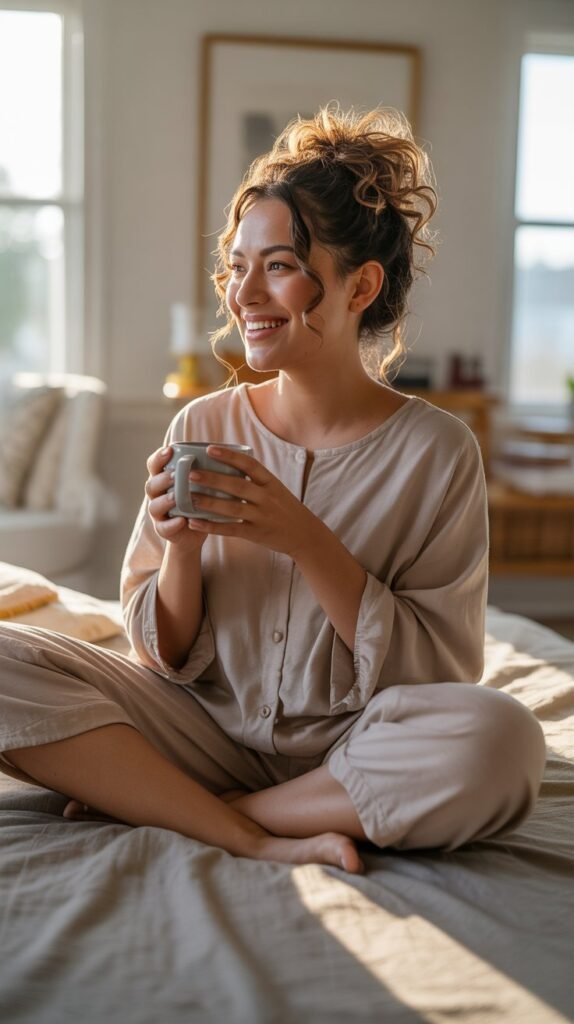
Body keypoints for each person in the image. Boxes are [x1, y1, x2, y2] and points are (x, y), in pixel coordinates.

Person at [0, 107, 545, 874]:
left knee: (503, 740)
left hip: (352, 750)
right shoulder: (203, 422)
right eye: (237, 264)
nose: (244, 293)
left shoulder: (437, 451)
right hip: (196, 730)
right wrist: (181, 552)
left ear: (359, 286)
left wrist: (305, 539)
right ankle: (243, 831)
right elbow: (158, 659)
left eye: (280, 265)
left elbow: (439, 677)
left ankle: (207, 815)